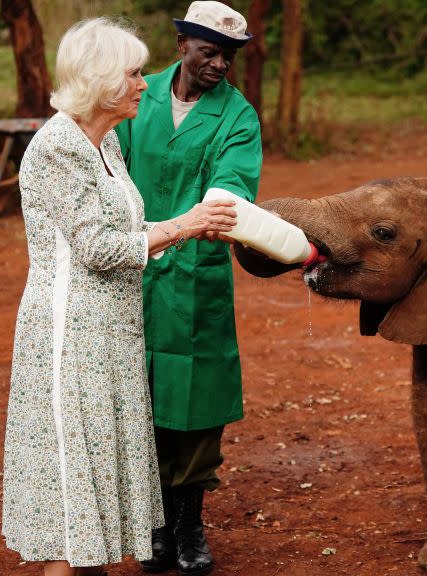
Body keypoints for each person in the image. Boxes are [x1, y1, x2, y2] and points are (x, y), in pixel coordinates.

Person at [1, 18, 237, 576]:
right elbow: (97, 248)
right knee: (72, 493)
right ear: (103, 81)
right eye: (133, 73)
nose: (143, 83)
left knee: (97, 488)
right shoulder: (58, 146)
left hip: (112, 333)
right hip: (70, 338)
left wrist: (183, 224)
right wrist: (182, 225)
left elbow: (123, 224)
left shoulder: (104, 142)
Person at [113, 2, 262, 574]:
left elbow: (230, 187)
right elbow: (109, 166)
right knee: (140, 393)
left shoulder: (238, 117)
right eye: (209, 52)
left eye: (229, 55)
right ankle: (153, 523)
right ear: (182, 47)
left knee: (196, 402)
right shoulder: (134, 95)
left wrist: (192, 222)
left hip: (196, 275)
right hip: (133, 269)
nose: (220, 64)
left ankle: (189, 521)